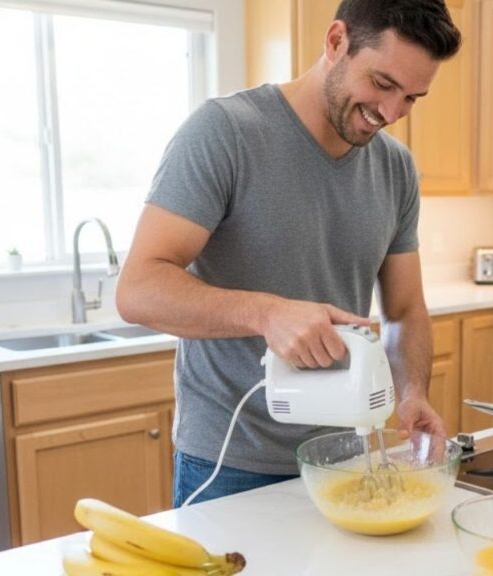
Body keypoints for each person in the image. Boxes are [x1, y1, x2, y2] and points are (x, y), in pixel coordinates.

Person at [115, 0, 462, 507]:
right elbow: (138, 289)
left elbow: (405, 309)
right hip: (232, 464)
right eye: (382, 84)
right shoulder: (225, 133)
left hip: (347, 457)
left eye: (412, 97)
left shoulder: (396, 168)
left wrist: (413, 394)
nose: (391, 114)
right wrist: (267, 313)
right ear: (336, 40)